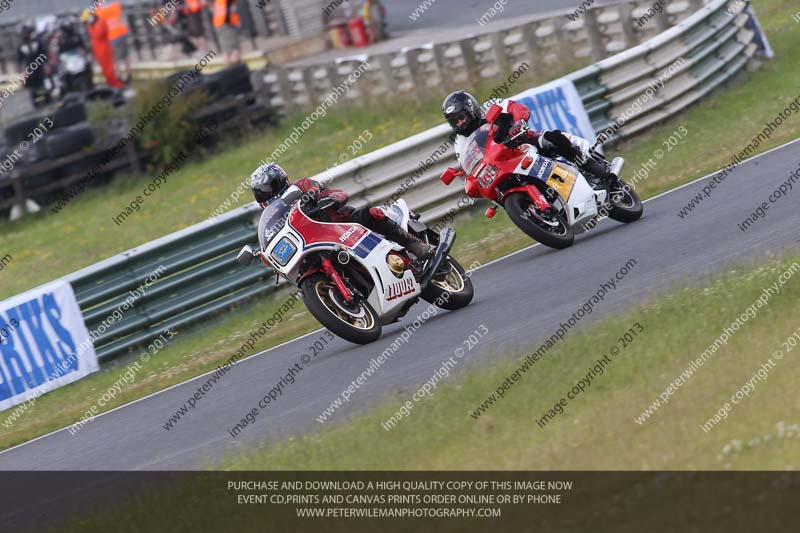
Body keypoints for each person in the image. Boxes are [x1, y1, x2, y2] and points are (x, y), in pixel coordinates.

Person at [250, 163, 433, 264]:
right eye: (263, 192)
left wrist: (329, 200)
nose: (270, 193)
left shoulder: (302, 186)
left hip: (344, 224)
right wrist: (265, 253)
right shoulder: (273, 215)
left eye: (271, 187)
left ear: (282, 181)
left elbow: (333, 192)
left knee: (370, 214)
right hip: (314, 244)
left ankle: (414, 245)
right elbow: (271, 235)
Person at [441, 90, 611, 185]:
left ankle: (591, 167)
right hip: (500, 162)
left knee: (552, 139)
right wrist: (465, 173)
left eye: (461, 117)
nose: (460, 123)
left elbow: (517, 107)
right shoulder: (459, 142)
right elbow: (467, 161)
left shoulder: (489, 107)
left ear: (471, 109)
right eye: (455, 121)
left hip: (522, 141)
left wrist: (518, 122)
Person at [80, 9, 125, 89]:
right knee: (105, 69)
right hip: (99, 50)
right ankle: (112, 84)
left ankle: (116, 84)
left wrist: (90, 27)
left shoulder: (99, 22)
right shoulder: (94, 24)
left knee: (109, 69)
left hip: (104, 49)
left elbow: (98, 34)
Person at [95, 1, 132, 82]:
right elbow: (122, 17)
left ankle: (119, 77)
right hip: (121, 33)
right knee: (125, 55)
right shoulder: (116, 5)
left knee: (115, 59)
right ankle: (129, 74)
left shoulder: (99, 11)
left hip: (111, 37)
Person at [17, 23, 50, 105]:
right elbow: (19, 60)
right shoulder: (21, 46)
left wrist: (46, 65)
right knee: (32, 89)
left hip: (40, 68)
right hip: (29, 70)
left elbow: (44, 53)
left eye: (26, 33)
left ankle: (48, 100)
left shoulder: (38, 42)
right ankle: (36, 103)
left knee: (43, 86)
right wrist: (22, 73)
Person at [212, 0, 241, 66]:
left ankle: (229, 68)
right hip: (226, 24)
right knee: (234, 49)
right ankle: (235, 68)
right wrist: (234, 23)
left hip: (219, 23)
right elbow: (228, 12)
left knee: (226, 49)